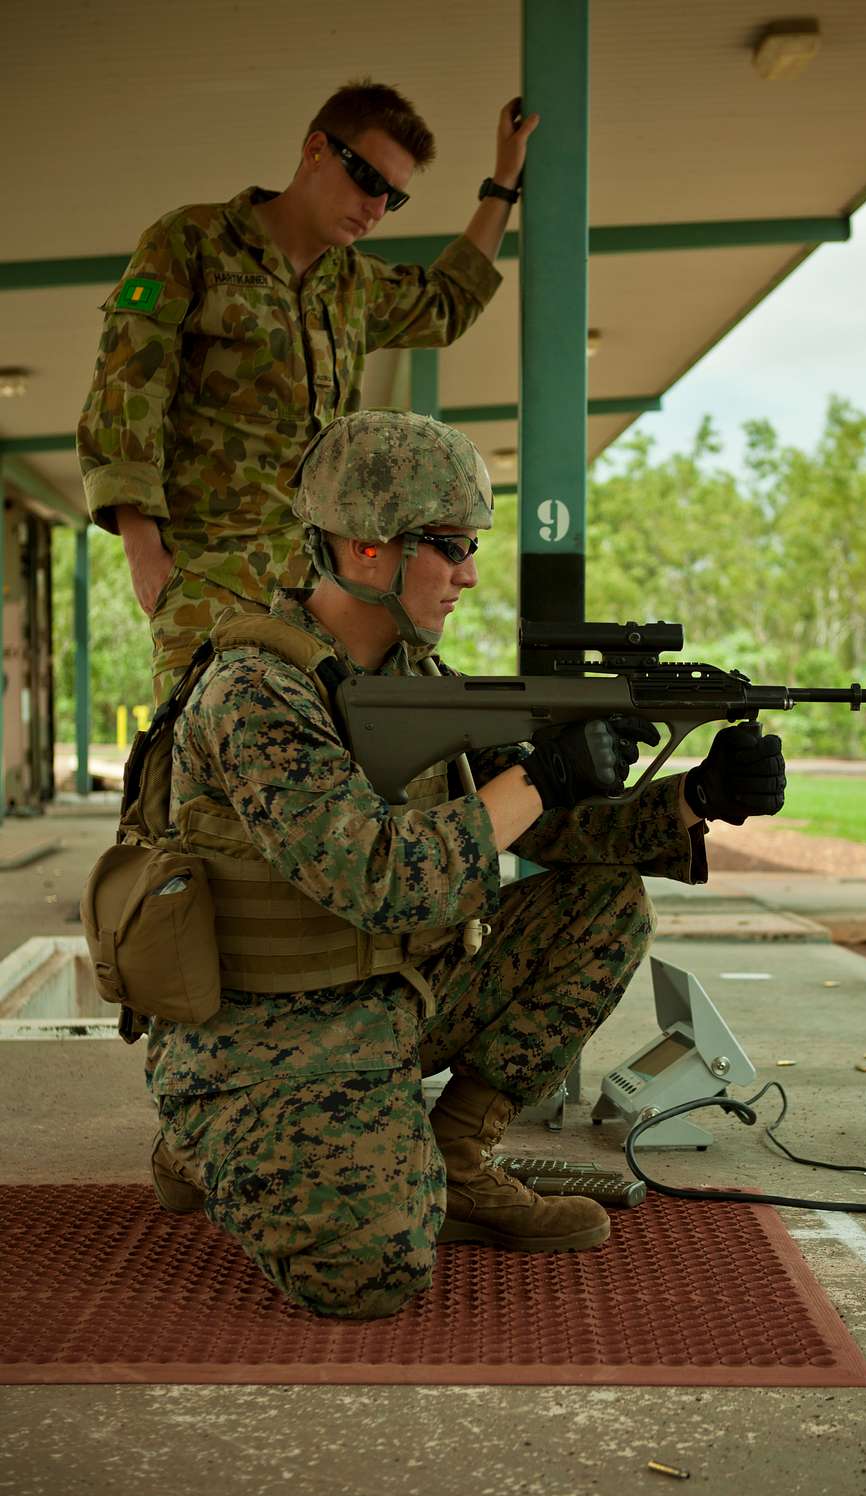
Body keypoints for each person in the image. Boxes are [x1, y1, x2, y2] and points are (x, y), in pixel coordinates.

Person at [147, 410, 787, 1321]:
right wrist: (542, 774)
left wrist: (692, 800)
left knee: (601, 905)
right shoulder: (255, 689)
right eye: (448, 547)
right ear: (367, 546)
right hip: (266, 1030)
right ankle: (211, 1125)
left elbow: (539, 833)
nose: (469, 573)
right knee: (367, 1277)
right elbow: (376, 874)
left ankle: (454, 1155)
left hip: (388, 997)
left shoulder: (417, 678)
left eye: (471, 545)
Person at [77, 79, 537, 701]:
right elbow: (127, 387)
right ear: (317, 149)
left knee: (311, 773)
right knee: (195, 771)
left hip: (322, 587)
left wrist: (503, 185)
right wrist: (141, 546)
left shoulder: (352, 284)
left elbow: (448, 304)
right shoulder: (192, 244)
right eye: (368, 180)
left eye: (393, 198)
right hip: (210, 573)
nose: (376, 208)